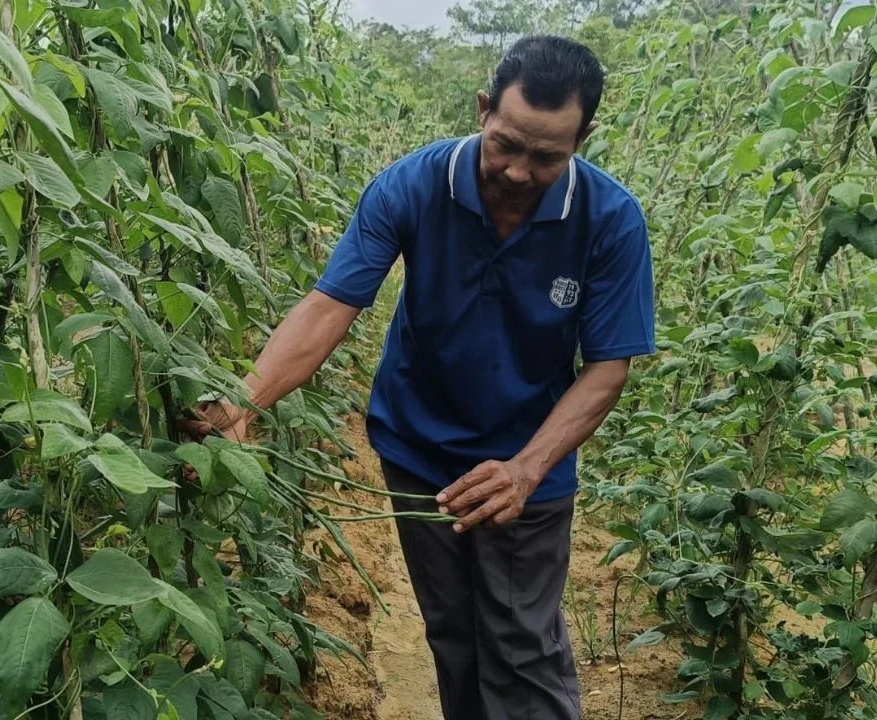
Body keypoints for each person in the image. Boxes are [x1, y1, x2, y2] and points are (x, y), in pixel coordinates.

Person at [184, 34, 655, 720]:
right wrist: (242, 402)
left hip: (532, 464)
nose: (519, 171)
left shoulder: (611, 220)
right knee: (454, 638)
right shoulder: (412, 185)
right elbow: (329, 306)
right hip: (418, 453)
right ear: (483, 108)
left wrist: (524, 471)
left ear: (585, 136)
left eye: (547, 156)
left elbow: (608, 367)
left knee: (523, 647)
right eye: (506, 144)